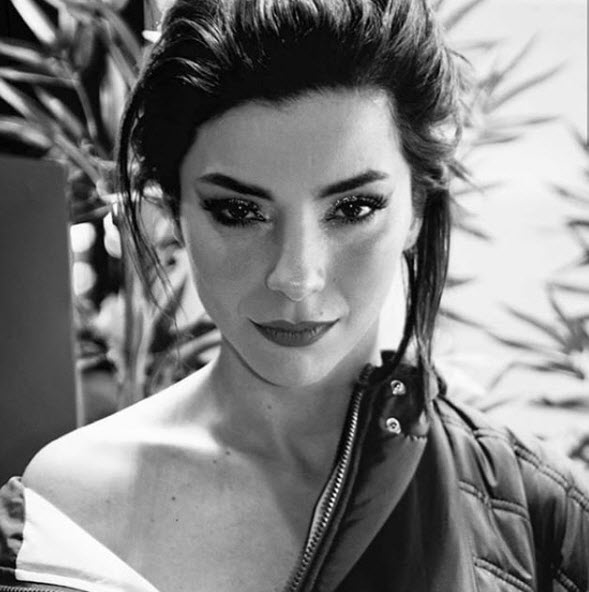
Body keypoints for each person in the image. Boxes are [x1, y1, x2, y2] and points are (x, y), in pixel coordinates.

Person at [1, 0, 587, 591]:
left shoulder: (539, 508)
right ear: (175, 214)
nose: (296, 275)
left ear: (416, 210)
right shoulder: (68, 506)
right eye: (238, 211)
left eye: (353, 208)